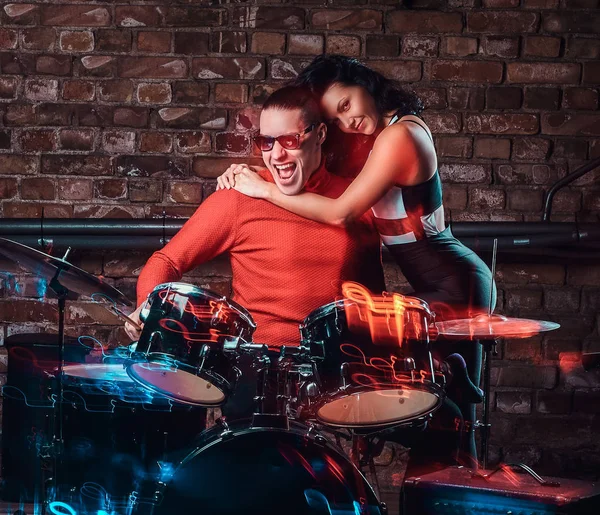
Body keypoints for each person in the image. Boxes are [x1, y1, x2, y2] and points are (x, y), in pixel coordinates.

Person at [216, 55, 496, 471]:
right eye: (336, 117)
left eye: (346, 105)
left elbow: (339, 212)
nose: (348, 122)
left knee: (442, 423)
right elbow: (306, 167)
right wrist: (251, 172)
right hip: (434, 284)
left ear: (365, 83)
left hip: (456, 281)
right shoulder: (378, 139)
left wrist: (264, 191)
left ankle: (447, 384)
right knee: (443, 429)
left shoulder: (402, 135)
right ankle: (444, 395)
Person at [125, 85, 386, 419]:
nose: (276, 155)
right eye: (267, 142)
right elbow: (166, 261)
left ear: (320, 134)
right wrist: (149, 307)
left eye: (290, 140)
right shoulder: (239, 197)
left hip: (331, 378)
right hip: (255, 373)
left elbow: (373, 298)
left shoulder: (353, 203)